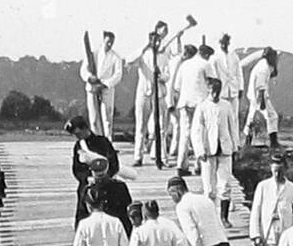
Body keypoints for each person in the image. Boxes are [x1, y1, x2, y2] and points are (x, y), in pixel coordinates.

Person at [190, 76, 240, 222]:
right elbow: (196, 131)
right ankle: (210, 219)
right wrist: (199, 151)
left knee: (225, 185)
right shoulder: (202, 107)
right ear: (208, 90)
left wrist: (234, 146)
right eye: (212, 90)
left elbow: (233, 126)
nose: (215, 93)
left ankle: (224, 218)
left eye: (218, 90)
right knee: (209, 188)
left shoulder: (226, 106)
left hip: (224, 151)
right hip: (208, 152)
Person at [66, 114, 119, 227]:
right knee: (82, 214)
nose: (77, 137)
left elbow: (114, 163)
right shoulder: (78, 146)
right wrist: (86, 178)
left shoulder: (103, 142)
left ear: (85, 129)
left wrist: (105, 176)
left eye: (78, 133)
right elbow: (77, 169)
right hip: (88, 184)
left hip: (105, 183)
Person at [133, 20, 170, 166]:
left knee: (161, 127)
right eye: (153, 41)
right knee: (141, 126)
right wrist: (144, 47)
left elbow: (167, 75)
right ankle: (138, 156)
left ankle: (162, 157)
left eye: (157, 41)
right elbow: (130, 60)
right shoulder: (144, 55)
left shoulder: (162, 56)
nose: (155, 43)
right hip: (144, 92)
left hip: (159, 93)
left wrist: (160, 76)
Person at [173, 43, 212, 172]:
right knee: (199, 134)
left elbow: (177, 86)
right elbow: (213, 83)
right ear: (205, 55)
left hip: (184, 103)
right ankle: (199, 165)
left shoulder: (185, 65)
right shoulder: (205, 65)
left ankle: (181, 165)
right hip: (199, 103)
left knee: (185, 134)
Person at [80, 30, 123, 139]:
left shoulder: (115, 57)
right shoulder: (93, 55)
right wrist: (90, 78)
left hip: (106, 89)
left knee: (107, 118)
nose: (109, 44)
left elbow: (118, 75)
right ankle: (96, 142)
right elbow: (83, 71)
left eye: (111, 42)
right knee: (94, 118)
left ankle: (108, 143)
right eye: (108, 41)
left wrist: (105, 84)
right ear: (103, 40)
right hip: (92, 88)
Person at [242, 46, 280, 148]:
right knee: (272, 116)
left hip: (254, 96)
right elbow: (260, 85)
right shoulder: (264, 67)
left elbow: (272, 74)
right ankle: (273, 142)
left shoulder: (263, 64)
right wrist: (262, 101)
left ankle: (247, 142)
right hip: (259, 96)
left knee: (251, 118)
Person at [87, 161, 132, 235]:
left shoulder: (90, 190)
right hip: (119, 228)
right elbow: (128, 204)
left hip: (102, 229)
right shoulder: (120, 186)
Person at [211, 33, 244, 131]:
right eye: (222, 42)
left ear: (228, 42)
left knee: (234, 117)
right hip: (222, 92)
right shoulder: (215, 57)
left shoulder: (234, 56)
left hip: (233, 90)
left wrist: (240, 88)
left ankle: (235, 143)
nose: (223, 44)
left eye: (225, 42)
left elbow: (239, 73)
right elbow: (214, 76)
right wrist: (215, 92)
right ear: (219, 42)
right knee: (221, 118)